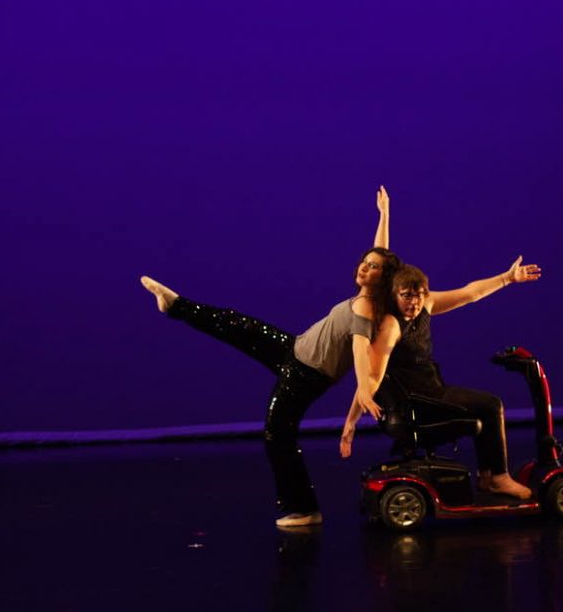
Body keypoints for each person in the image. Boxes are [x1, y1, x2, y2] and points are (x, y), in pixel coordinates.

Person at [140, 186, 399, 527]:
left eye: (373, 268)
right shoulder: (365, 295)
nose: (364, 268)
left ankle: (304, 509)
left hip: (304, 375)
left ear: (384, 279)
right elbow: (382, 251)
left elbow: (358, 349)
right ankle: (176, 305)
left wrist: (364, 390)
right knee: (237, 324)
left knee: (278, 434)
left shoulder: (367, 309)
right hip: (292, 349)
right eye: (364, 263)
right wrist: (384, 215)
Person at [339, 259, 540, 500]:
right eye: (406, 296)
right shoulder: (391, 325)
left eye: (419, 296)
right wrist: (351, 421)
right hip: (418, 401)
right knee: (491, 405)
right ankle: (499, 478)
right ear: (395, 295)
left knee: (483, 408)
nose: (414, 303)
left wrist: (507, 278)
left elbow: (469, 293)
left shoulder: (427, 304)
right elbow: (372, 376)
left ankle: (488, 477)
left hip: (433, 390)